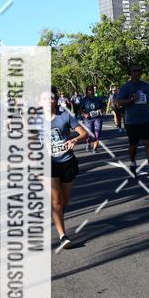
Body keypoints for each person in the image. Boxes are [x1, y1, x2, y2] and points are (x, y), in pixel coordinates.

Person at [49, 87, 87, 248]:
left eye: (50, 97)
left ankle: (56, 216)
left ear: (56, 100)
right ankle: (63, 236)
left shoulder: (65, 116)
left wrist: (75, 140)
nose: (47, 100)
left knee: (64, 201)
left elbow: (84, 133)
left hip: (67, 161)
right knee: (56, 200)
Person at [116, 63, 149, 181]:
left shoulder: (146, 86)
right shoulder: (125, 87)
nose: (137, 72)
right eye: (134, 71)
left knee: (148, 143)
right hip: (131, 121)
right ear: (130, 73)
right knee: (133, 146)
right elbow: (118, 103)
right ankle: (133, 162)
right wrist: (131, 100)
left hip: (145, 119)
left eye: (139, 70)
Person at [79, 85, 105, 153]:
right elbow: (80, 110)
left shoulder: (98, 99)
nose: (91, 91)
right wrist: (84, 114)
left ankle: (95, 148)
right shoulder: (84, 100)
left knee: (97, 132)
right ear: (87, 91)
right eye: (90, 90)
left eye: (92, 90)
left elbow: (102, 108)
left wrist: (100, 110)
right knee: (89, 134)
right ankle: (88, 142)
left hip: (97, 118)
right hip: (88, 119)